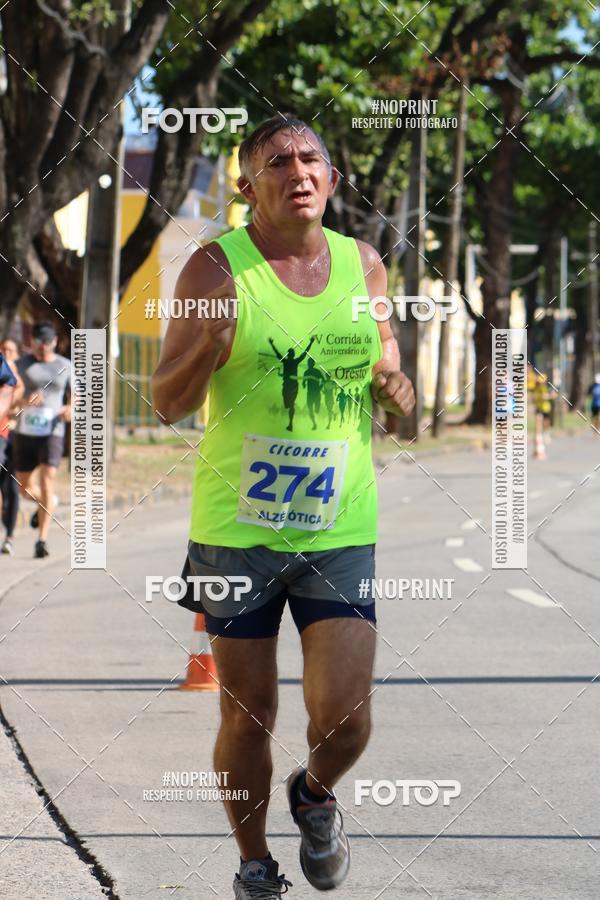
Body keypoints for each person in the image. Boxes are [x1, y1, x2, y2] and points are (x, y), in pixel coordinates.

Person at [151, 115, 415, 899]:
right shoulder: (213, 269)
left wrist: (396, 385)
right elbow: (165, 401)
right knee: (249, 713)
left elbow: (385, 361)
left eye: (311, 160)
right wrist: (208, 345)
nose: (297, 171)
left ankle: (314, 794)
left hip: (340, 528)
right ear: (246, 187)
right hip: (237, 534)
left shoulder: (363, 265)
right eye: (277, 162)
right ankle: (255, 865)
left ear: (331, 180)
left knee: (346, 720)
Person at [12, 322, 71, 558]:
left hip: (52, 431)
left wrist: (70, 409)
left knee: (48, 481)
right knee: (24, 488)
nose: (42, 347)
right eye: (38, 343)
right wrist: (25, 400)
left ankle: (42, 540)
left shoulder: (65, 366)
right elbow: (11, 399)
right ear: (32, 342)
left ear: (54, 341)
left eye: (46, 343)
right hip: (25, 432)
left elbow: (76, 397)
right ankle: (49, 502)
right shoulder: (20, 365)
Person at [0, 339, 21, 555]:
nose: (6, 352)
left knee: (13, 488)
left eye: (10, 349)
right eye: (3, 348)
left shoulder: (18, 373)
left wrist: (14, 410)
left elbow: (23, 394)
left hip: (12, 436)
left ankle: (10, 534)